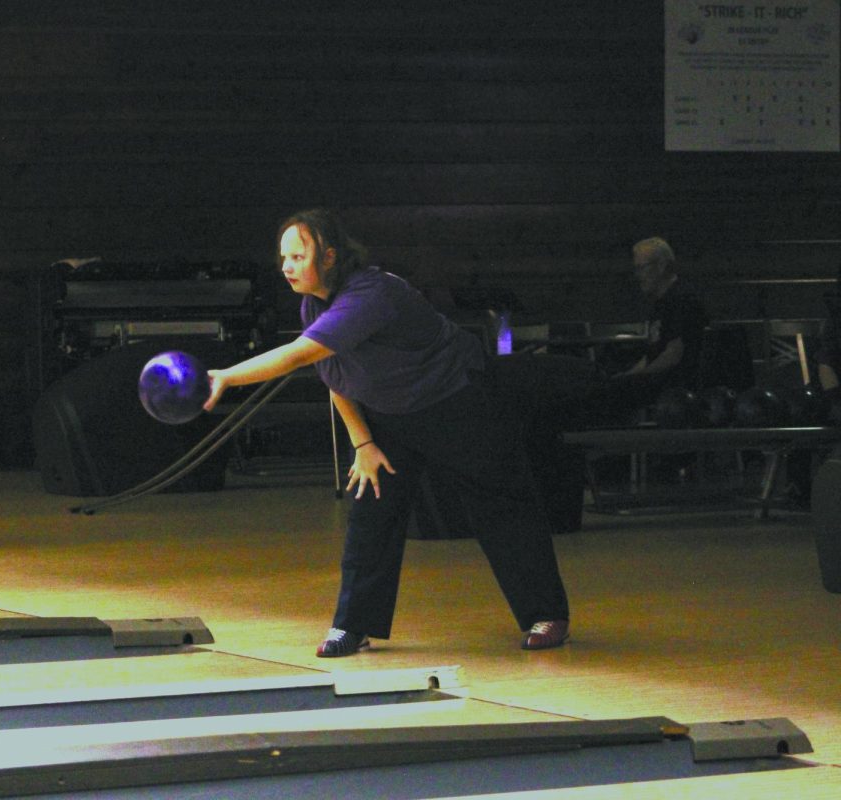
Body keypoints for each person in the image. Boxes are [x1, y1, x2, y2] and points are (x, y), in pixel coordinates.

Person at [204, 209, 571, 656]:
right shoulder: (313, 304)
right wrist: (364, 444)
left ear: (331, 256)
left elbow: (301, 355)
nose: (287, 266)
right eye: (284, 257)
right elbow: (334, 376)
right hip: (391, 413)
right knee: (371, 507)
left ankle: (546, 614)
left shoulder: (370, 293)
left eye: (299, 256)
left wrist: (226, 376)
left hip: (458, 400)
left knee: (500, 505)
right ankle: (352, 626)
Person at [618, 237, 708, 400]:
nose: (638, 275)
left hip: (678, 394)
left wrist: (636, 379)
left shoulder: (683, 301)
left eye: (642, 268)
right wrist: (624, 378)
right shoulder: (661, 304)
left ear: (660, 266)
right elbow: (653, 355)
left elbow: (674, 354)